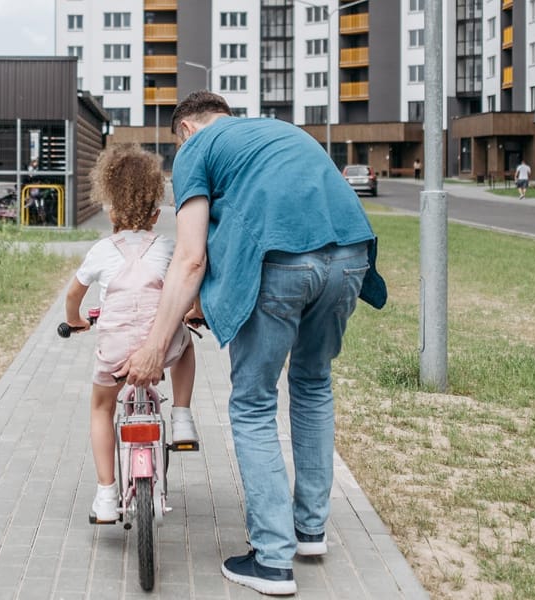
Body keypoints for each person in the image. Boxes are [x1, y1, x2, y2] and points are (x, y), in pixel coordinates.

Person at [116, 91, 385, 596]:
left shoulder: (197, 148)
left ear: (185, 130)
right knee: (313, 384)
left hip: (282, 262)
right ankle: (309, 531)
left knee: (254, 403)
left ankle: (272, 558)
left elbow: (190, 258)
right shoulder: (278, 131)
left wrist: (155, 346)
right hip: (351, 255)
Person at [63, 143, 199, 524]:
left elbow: (73, 295)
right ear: (156, 213)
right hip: (162, 346)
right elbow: (190, 285)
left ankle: (106, 494)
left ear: (110, 211)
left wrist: (75, 320)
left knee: (101, 407)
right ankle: (182, 416)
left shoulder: (101, 251)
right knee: (186, 347)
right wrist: (194, 313)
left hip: (116, 353)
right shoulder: (168, 247)